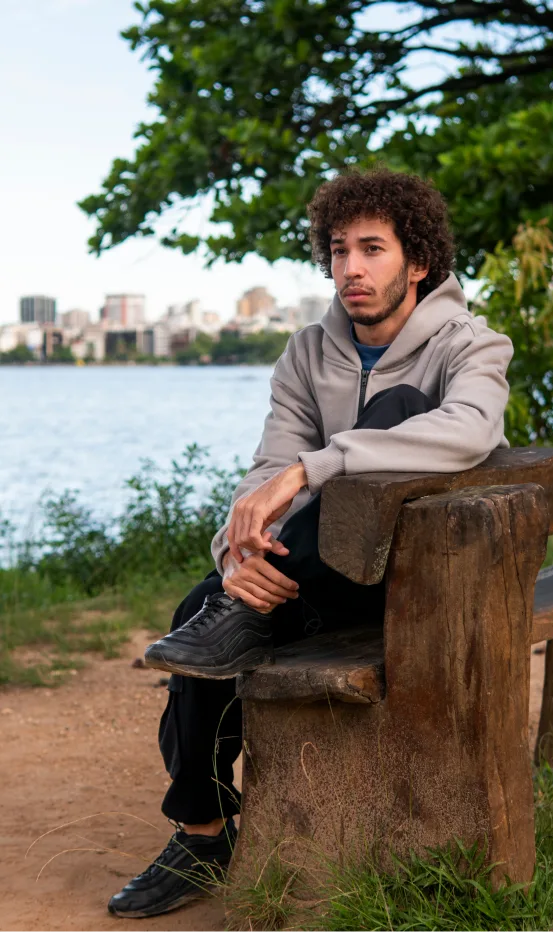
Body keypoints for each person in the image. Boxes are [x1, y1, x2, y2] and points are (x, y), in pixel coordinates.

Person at [107, 169, 513, 918]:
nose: (351, 269)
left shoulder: (469, 345)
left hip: (417, 574)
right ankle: (200, 831)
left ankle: (244, 610)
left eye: (372, 249)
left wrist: (313, 467)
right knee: (201, 611)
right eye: (337, 251)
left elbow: (468, 431)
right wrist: (238, 554)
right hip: (309, 576)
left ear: (416, 261)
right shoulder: (305, 352)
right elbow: (264, 471)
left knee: (396, 411)